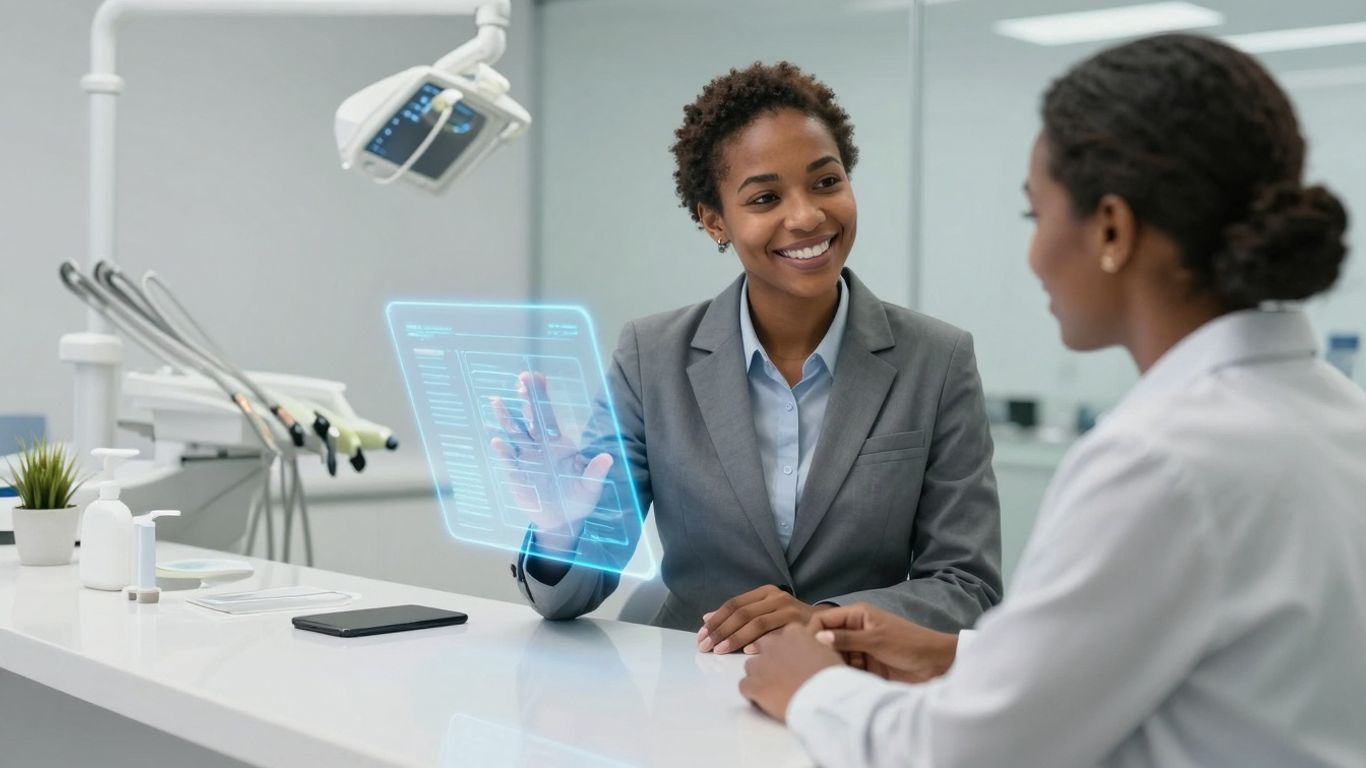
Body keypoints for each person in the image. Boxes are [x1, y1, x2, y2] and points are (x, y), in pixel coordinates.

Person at [739, 33, 1366, 767]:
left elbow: (965, 754)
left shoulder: (1158, 461)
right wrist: (958, 656)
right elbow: (1183, 660)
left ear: (1111, 229)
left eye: (1035, 217)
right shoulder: (1336, 414)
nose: (1034, 256)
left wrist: (810, 688)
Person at [504, 62, 1003, 652]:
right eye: (766, 197)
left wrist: (823, 623)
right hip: (693, 684)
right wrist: (559, 532)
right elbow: (569, 597)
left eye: (826, 182)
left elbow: (967, 587)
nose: (807, 216)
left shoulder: (938, 360)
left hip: (856, 689)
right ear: (715, 220)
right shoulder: (650, 358)